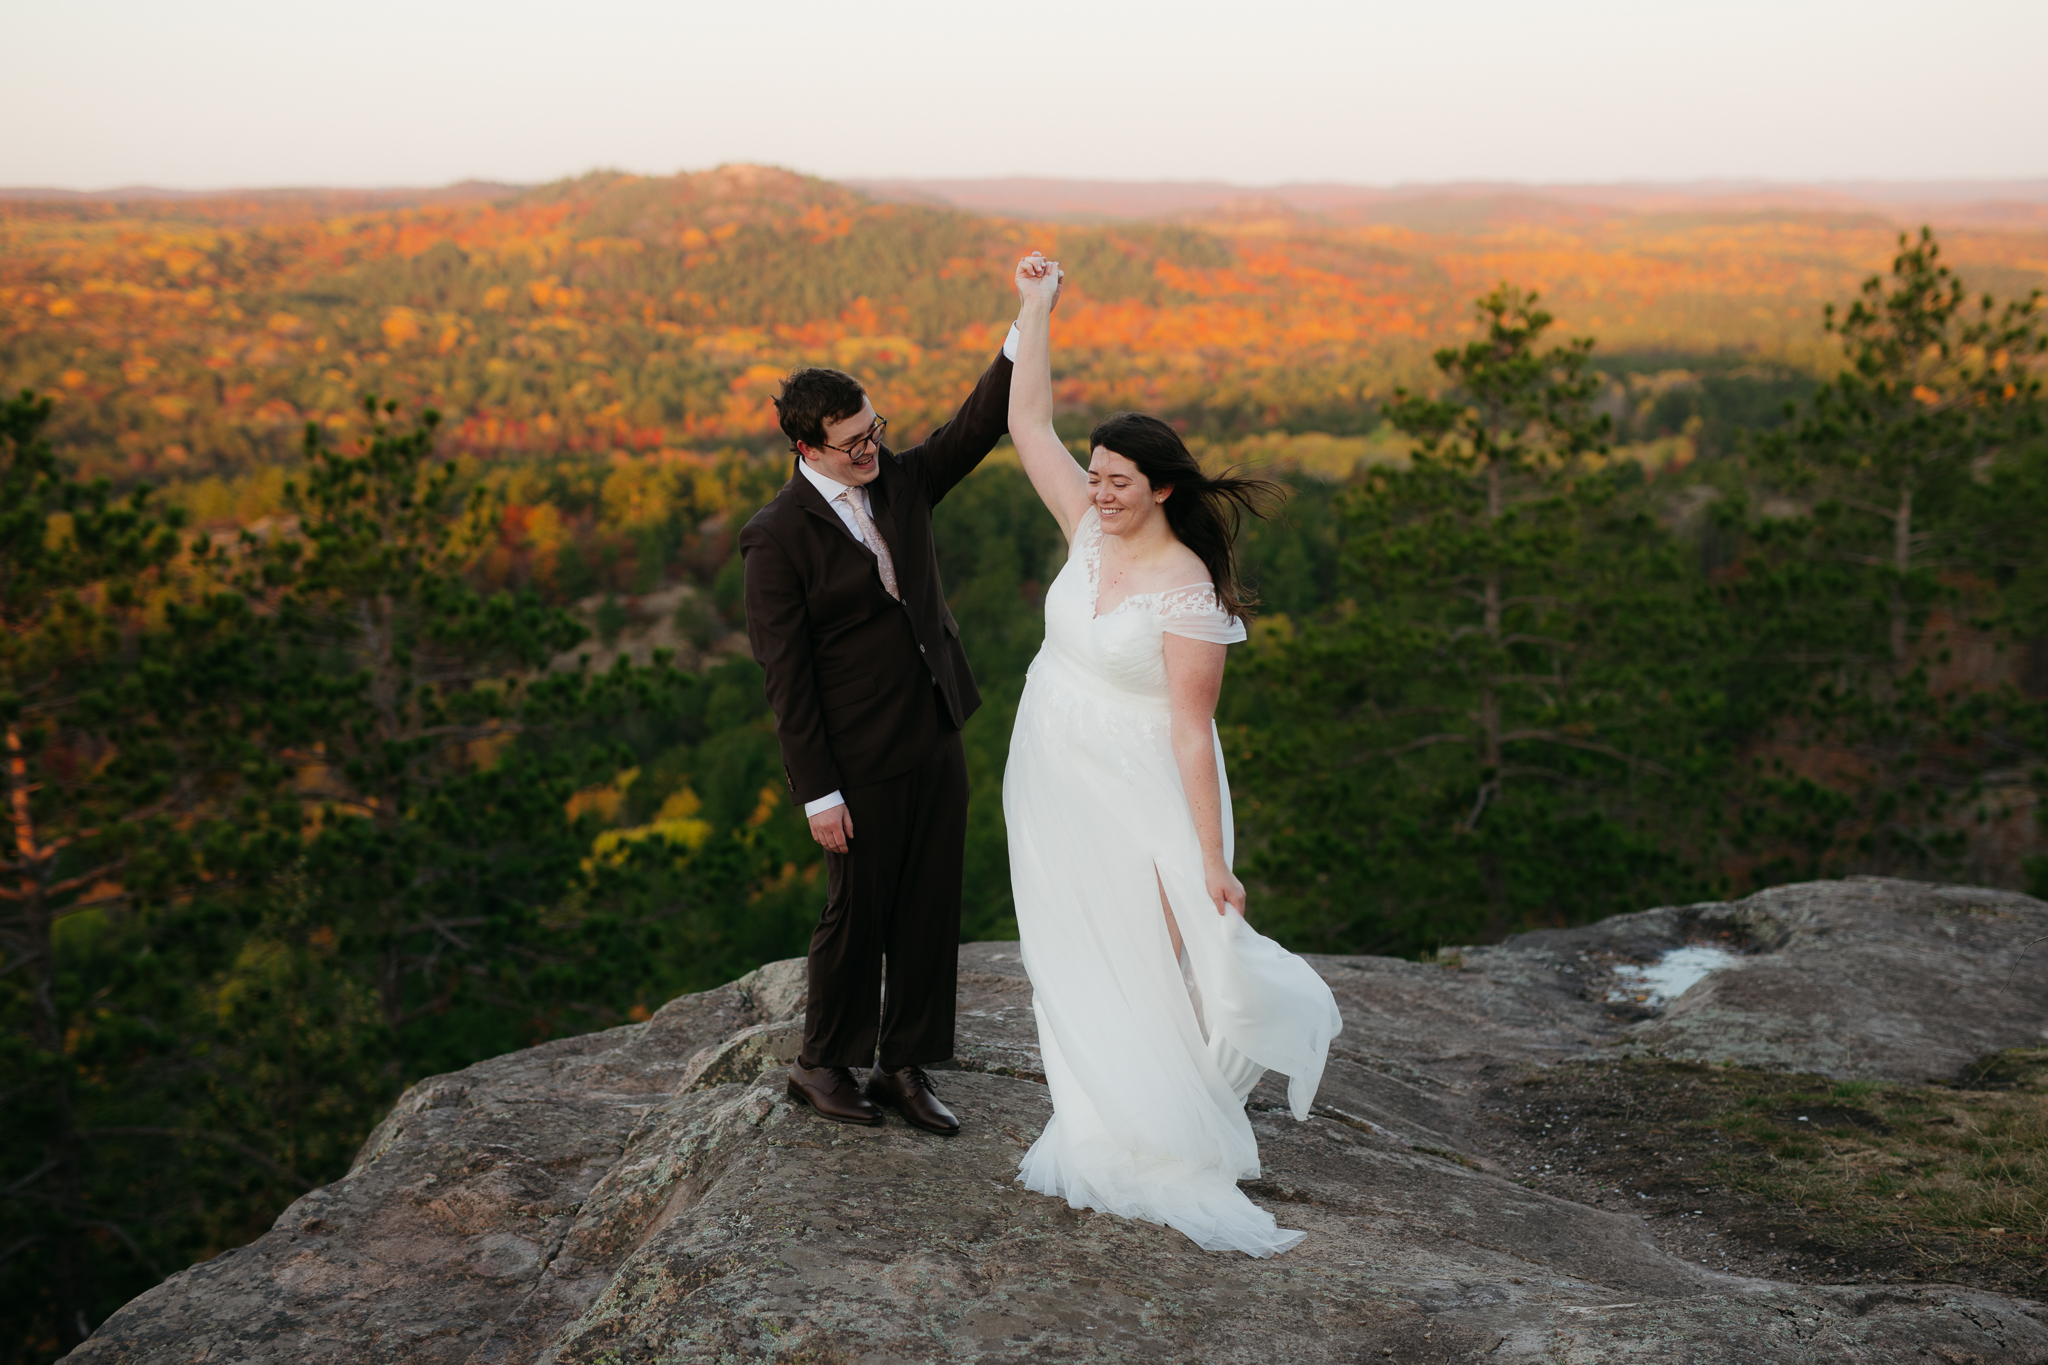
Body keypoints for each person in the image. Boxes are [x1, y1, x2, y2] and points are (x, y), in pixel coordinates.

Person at [1001, 253, 1344, 1256]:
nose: (1096, 492)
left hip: (1139, 781)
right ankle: (1094, 1106)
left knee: (1148, 951)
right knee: (1065, 943)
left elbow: (1191, 730)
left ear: (1157, 489)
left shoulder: (1186, 590)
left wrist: (1207, 859)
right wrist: (1034, 307)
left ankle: (1147, 1127)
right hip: (1050, 768)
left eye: (1115, 482)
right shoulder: (1087, 530)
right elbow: (1027, 425)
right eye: (1093, 476)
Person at [740, 257, 1052, 1135]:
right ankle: (821, 1062)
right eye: (853, 443)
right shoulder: (775, 538)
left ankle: (904, 1065)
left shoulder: (903, 481)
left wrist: (1030, 314)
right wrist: (818, 791)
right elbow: (785, 674)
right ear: (807, 449)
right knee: (856, 911)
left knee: (928, 905)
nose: (871, 449)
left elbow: (977, 422)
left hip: (933, 729)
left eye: (876, 429)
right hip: (854, 757)